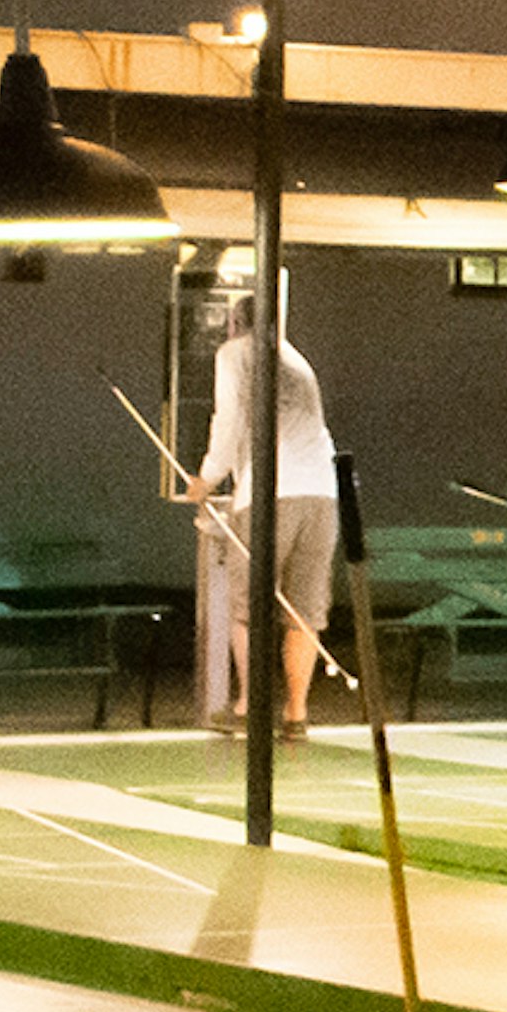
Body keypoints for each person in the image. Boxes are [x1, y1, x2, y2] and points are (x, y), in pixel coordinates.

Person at [192, 292, 339, 739]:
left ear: (237, 323)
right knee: (304, 609)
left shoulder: (234, 354)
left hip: (269, 493)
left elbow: (230, 418)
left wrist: (207, 478)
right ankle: (296, 714)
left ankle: (248, 707)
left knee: (249, 604)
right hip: (322, 493)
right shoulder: (298, 359)